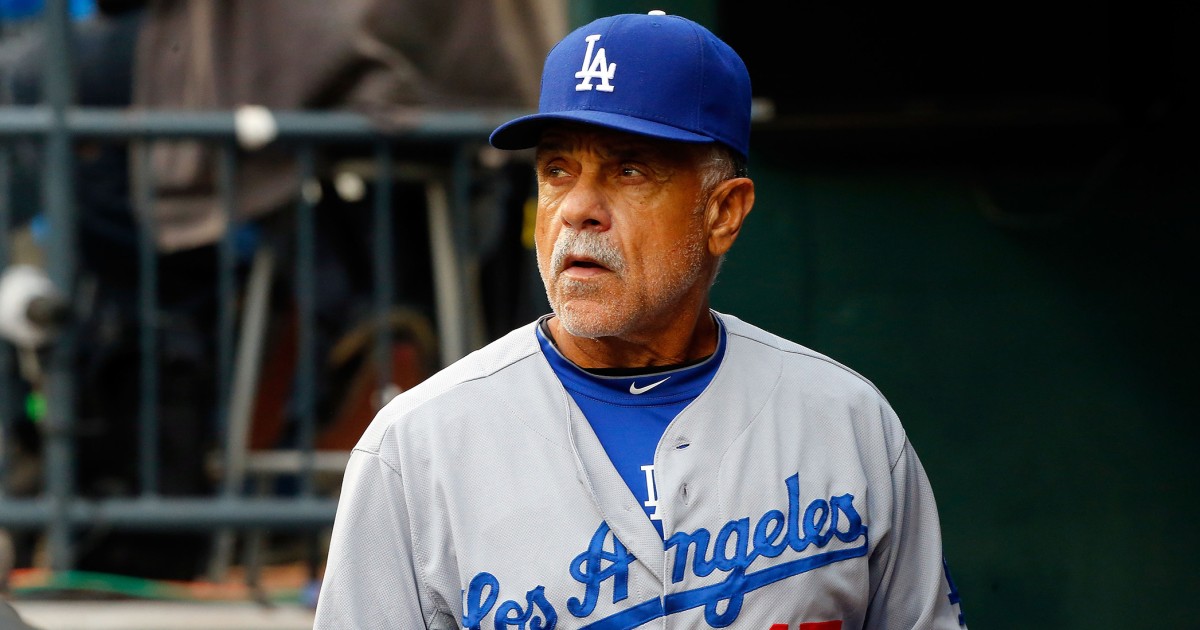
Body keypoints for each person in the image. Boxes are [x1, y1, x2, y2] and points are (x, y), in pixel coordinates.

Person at [315, 11, 967, 629]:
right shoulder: (416, 448)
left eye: (628, 170)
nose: (578, 209)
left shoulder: (848, 423)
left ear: (723, 213)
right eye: (557, 170)